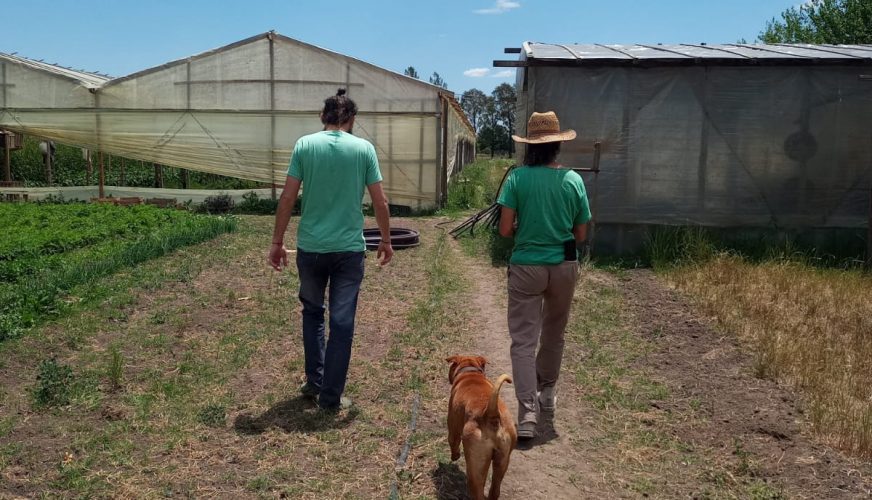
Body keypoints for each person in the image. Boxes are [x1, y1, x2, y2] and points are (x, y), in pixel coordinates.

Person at [268, 89, 393, 411]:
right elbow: (380, 200)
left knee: (312, 314)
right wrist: (386, 239)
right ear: (351, 120)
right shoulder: (363, 149)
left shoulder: (305, 146)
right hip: (349, 251)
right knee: (342, 322)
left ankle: (315, 381)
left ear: (322, 117)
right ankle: (330, 399)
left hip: (310, 248)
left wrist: (277, 242)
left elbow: (287, 198)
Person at [496, 111, 591, 439]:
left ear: (530, 147)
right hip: (564, 267)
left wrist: (527, 226)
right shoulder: (574, 180)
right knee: (554, 333)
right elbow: (580, 234)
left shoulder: (517, 179)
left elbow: (505, 230)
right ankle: (547, 393)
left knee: (523, 340)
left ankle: (526, 416)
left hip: (526, 267)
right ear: (556, 146)